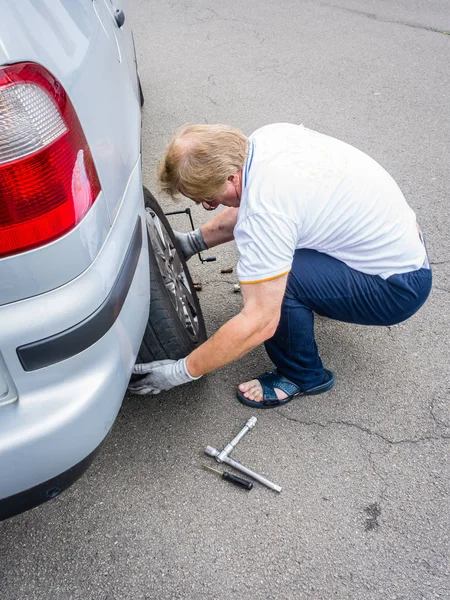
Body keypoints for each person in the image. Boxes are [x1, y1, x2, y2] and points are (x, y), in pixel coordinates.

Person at [128, 123, 432, 408]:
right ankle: (322, 299)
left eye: (209, 200)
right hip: (399, 244)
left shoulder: (265, 211)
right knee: (274, 260)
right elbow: (251, 203)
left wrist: (181, 370)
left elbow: (260, 321)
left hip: (397, 287)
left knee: (280, 286)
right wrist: (191, 243)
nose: (210, 206)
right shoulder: (266, 140)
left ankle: (303, 376)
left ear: (230, 178)